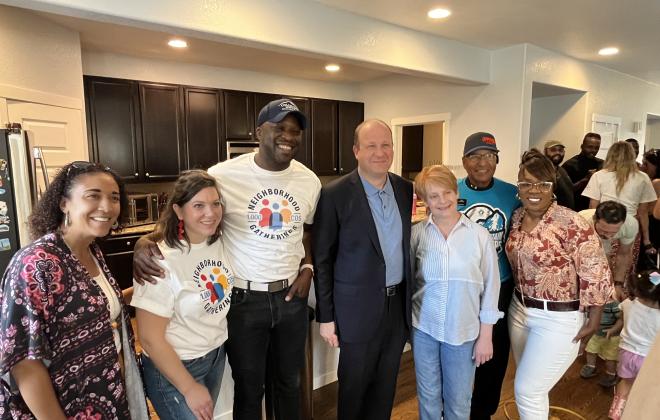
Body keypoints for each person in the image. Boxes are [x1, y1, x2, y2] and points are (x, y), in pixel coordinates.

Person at [133, 99, 321, 420]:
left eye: (295, 130)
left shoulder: (310, 181)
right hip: (243, 300)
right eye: (279, 127)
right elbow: (192, 206)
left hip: (291, 298)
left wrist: (307, 266)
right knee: (249, 387)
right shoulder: (222, 175)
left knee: (290, 382)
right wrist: (147, 239)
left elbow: (306, 229)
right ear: (259, 131)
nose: (288, 136)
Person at [0, 161, 148, 419]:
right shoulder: (36, 264)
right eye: (93, 195)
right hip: (62, 405)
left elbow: (90, 312)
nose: (107, 207)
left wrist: (142, 288)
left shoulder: (91, 250)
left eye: (114, 198)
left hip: (104, 395)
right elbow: (25, 361)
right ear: (64, 203)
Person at [313, 119, 413, 420]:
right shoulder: (335, 194)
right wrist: (326, 317)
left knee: (385, 387)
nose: (380, 152)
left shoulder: (405, 189)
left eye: (386, 145)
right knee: (354, 388)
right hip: (355, 310)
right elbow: (323, 259)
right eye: (371, 146)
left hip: (397, 307)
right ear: (356, 151)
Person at [506, 149, 612, 420]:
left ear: (553, 187)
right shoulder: (517, 218)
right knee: (532, 386)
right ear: (518, 186)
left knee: (528, 390)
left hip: (559, 317)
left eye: (542, 184)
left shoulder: (571, 222)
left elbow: (595, 271)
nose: (534, 190)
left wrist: (595, 317)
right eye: (526, 183)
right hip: (519, 310)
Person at [132, 171, 232, 420]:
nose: (210, 213)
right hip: (176, 367)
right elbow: (150, 338)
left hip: (215, 356)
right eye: (198, 205)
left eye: (215, 203)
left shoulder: (220, 243)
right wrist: (188, 386)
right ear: (178, 211)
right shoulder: (160, 261)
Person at [411, 164, 502, 420]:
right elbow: (411, 283)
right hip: (424, 329)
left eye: (446, 193)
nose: (442, 201)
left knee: (459, 401)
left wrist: (486, 336)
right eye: (433, 196)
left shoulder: (479, 236)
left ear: (455, 191)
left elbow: (491, 287)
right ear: (425, 200)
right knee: (428, 397)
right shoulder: (417, 235)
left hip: (463, 332)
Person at [455, 132, 520, 420]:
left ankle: (483, 412)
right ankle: (455, 407)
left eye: (489, 156)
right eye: (475, 156)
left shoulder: (512, 194)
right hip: (460, 287)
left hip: (500, 286)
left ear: (497, 161)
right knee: (458, 349)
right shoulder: (450, 191)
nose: (482, 162)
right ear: (464, 161)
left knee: (493, 354)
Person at [578, 201, 639, 388]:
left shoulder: (630, 225)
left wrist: (618, 284)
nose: (607, 235)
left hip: (604, 258)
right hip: (580, 256)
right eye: (603, 230)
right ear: (595, 219)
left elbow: (623, 254)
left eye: (613, 232)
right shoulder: (580, 222)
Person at [582, 141, 657, 275]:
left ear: (610, 155)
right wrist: (647, 240)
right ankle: (621, 291)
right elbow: (643, 212)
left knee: (600, 266)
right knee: (625, 266)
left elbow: (593, 207)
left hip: (603, 225)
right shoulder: (642, 177)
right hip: (630, 226)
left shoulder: (599, 175)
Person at [607, 270, 660, 420]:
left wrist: (612, 330)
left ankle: (616, 413)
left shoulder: (628, 304)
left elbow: (622, 321)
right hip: (650, 359)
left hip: (626, 353)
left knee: (625, 383)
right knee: (646, 390)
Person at [562, 132, 603, 211]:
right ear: (582, 146)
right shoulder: (569, 165)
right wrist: (586, 179)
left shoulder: (601, 164)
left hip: (594, 209)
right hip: (575, 208)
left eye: (596, 148)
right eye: (590, 147)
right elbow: (566, 191)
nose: (593, 150)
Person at [640, 149, 660, 264]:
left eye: (646, 164)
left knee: (648, 262)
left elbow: (649, 210)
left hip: (652, 226)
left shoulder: (656, 182)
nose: (643, 167)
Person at [543, 139, 575, 209]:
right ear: (545, 151)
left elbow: (569, 190)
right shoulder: (542, 171)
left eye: (560, 150)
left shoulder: (562, 170)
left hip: (566, 214)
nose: (557, 153)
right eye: (553, 150)